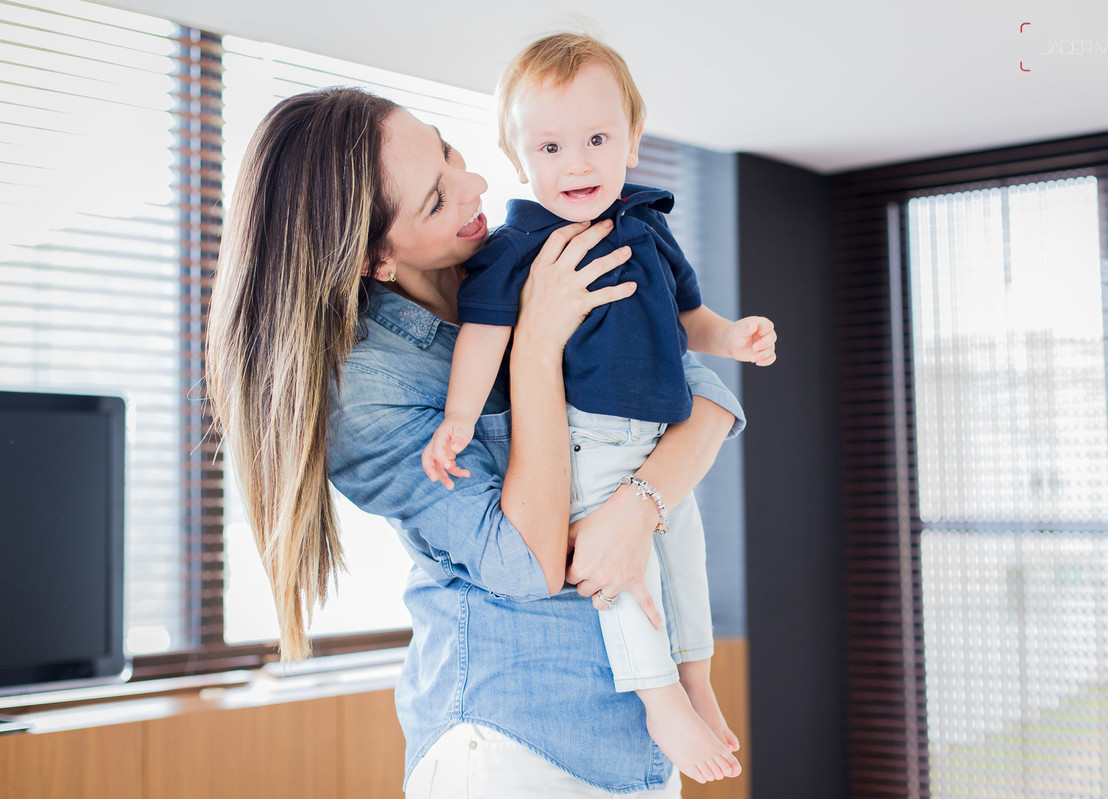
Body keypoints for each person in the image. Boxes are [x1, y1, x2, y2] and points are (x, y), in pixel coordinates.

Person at [205, 86, 748, 796]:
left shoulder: (523, 255)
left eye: (447, 150)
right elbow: (528, 560)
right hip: (512, 739)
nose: (477, 183)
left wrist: (636, 509)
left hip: (637, 741)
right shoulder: (367, 394)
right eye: (435, 199)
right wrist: (536, 349)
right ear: (375, 260)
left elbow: (702, 399)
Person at [423, 34, 775, 785]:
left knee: (686, 558)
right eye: (549, 146)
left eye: (595, 138)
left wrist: (732, 338)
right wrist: (457, 417)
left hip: (659, 433)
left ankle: (695, 683)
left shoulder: (647, 224)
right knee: (625, 567)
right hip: (586, 436)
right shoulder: (517, 243)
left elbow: (690, 318)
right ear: (519, 158)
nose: (576, 163)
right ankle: (656, 698)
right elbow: (484, 336)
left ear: (633, 141)